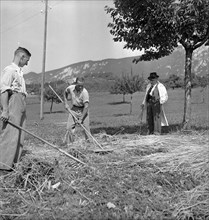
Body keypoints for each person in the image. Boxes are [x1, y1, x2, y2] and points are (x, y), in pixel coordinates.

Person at [0, 47, 31, 171]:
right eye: (26, 60)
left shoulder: (19, 72)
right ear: (21, 56)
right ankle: (3, 167)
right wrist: (5, 110)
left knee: (19, 134)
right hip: (14, 103)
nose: (27, 63)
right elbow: (3, 90)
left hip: (21, 102)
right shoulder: (10, 70)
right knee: (10, 134)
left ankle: (13, 165)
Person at [63, 76, 90, 144]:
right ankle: (70, 144)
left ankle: (89, 144)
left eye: (82, 85)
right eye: (79, 85)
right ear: (75, 83)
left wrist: (81, 119)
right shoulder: (71, 88)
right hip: (74, 109)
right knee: (69, 128)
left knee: (86, 129)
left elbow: (86, 107)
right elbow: (65, 92)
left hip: (83, 110)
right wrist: (66, 103)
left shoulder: (85, 93)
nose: (80, 87)